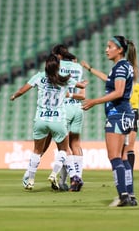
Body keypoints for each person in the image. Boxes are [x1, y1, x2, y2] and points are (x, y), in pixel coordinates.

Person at [11, 54, 86, 191]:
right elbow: (80, 85)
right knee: (63, 149)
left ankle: (31, 180)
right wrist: (83, 83)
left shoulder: (39, 77)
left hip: (40, 119)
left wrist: (14, 95)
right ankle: (53, 173)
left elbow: (23, 90)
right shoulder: (64, 80)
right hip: (58, 120)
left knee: (37, 151)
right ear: (58, 66)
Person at [81, 35, 138, 207]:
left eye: (109, 46)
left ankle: (122, 196)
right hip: (126, 115)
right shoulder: (123, 66)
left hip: (117, 114)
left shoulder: (121, 67)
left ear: (119, 50)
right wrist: (90, 68)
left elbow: (119, 91)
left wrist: (94, 101)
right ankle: (130, 195)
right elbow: (108, 79)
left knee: (114, 157)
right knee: (123, 157)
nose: (106, 49)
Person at [51, 44, 86, 191]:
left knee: (64, 148)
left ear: (58, 55)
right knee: (76, 144)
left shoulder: (56, 66)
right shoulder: (78, 67)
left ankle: (73, 178)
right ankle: (75, 177)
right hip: (77, 108)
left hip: (63, 108)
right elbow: (81, 88)